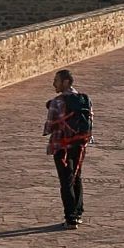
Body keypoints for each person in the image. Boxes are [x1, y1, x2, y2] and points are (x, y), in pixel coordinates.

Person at [43, 69, 92, 227]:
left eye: (56, 81)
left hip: (61, 146)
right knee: (76, 178)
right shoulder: (85, 99)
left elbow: (49, 127)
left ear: (65, 82)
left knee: (66, 182)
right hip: (79, 145)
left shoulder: (57, 102)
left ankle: (70, 218)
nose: (53, 84)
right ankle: (78, 214)